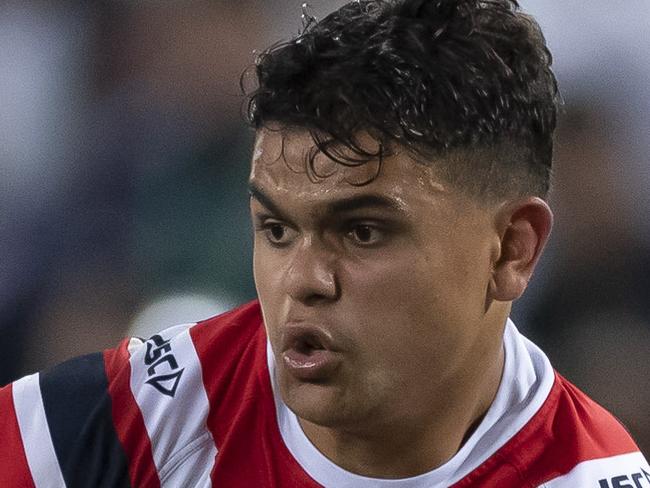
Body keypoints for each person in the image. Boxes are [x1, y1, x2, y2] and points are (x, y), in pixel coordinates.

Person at [1, 0, 647, 486]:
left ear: (511, 251)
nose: (302, 280)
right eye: (277, 230)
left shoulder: (584, 474)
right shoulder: (153, 416)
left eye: (363, 231)